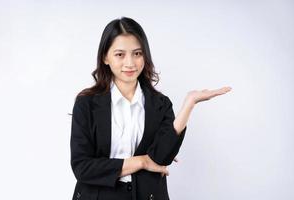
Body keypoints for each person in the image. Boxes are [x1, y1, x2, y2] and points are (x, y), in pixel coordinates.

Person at [70, 16, 232, 200]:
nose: (130, 63)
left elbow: (161, 158)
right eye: (120, 54)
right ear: (105, 57)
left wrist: (189, 104)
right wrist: (141, 161)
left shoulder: (160, 104)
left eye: (137, 53)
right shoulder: (87, 104)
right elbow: (82, 167)